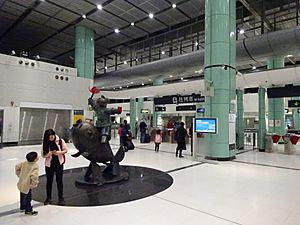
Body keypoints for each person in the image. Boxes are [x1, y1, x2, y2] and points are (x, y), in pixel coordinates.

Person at [42, 129, 68, 205]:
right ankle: (48, 197)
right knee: (49, 181)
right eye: (49, 137)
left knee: (59, 181)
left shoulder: (60, 141)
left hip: (59, 164)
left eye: (52, 136)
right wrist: (49, 153)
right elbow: (43, 155)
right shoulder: (45, 143)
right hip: (49, 165)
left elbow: (65, 150)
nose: (51, 138)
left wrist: (58, 153)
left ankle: (61, 197)